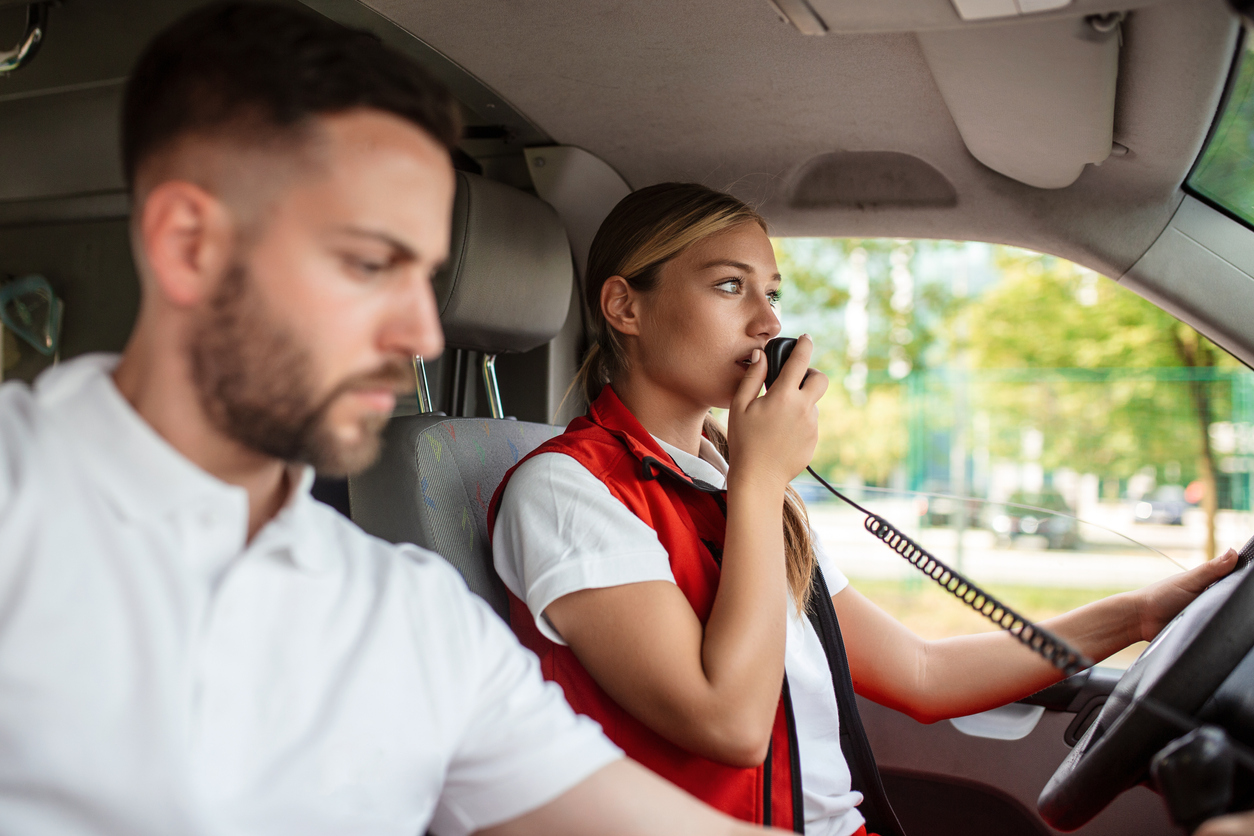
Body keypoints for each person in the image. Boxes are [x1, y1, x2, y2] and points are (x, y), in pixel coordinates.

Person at [0, 6, 794, 835]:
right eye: (371, 263)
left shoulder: (409, 613)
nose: (420, 334)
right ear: (189, 244)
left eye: (426, 276)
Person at [489, 182, 1240, 836]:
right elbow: (728, 724)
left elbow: (920, 671)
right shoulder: (568, 491)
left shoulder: (726, 483)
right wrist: (760, 482)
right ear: (625, 306)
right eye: (729, 287)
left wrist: (1137, 617)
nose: (767, 323)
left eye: (771, 293)